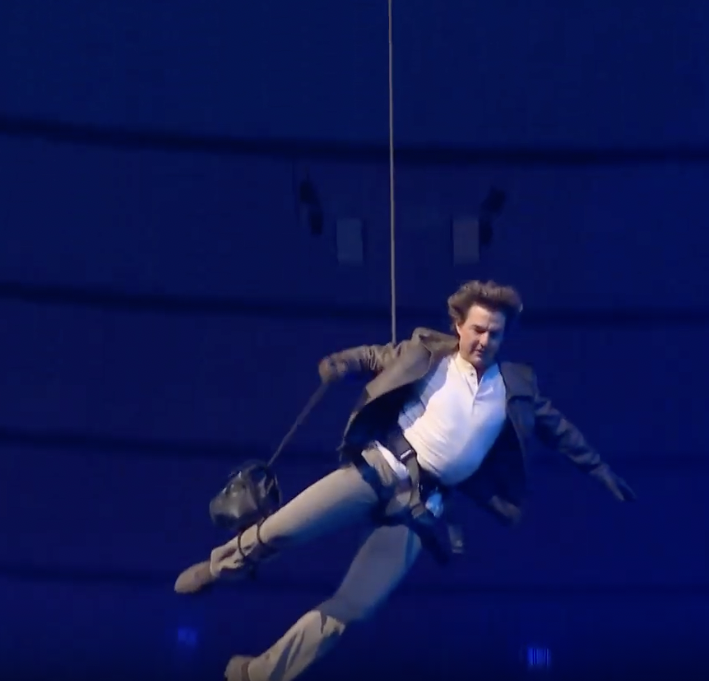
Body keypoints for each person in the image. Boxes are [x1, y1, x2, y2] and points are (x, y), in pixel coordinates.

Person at [173, 280, 636, 681]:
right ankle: (219, 567)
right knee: (282, 528)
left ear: (503, 337)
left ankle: (260, 673)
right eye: (477, 329)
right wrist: (345, 361)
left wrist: (600, 470)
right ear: (459, 326)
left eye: (494, 333)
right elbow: (378, 355)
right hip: (377, 470)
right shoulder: (429, 353)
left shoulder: (514, 388)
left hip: (419, 509)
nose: (483, 340)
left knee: (355, 607)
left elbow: (561, 432)